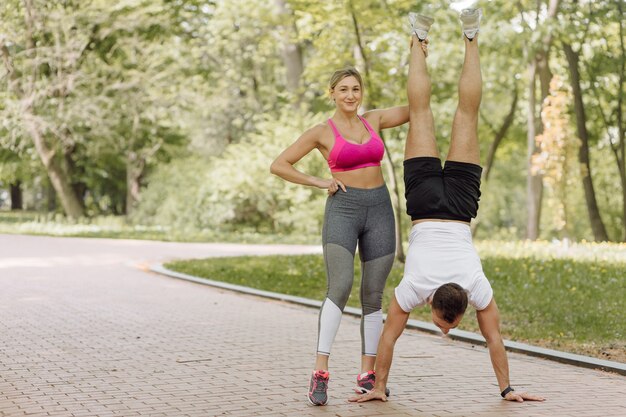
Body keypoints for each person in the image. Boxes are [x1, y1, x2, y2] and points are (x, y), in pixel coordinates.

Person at [349, 9, 545, 404]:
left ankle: (469, 34)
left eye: (444, 325)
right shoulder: (415, 287)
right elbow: (392, 335)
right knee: (430, 111)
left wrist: (383, 386)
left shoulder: (476, 286)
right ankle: (420, 33)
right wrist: (505, 389)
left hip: (458, 204)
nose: (446, 330)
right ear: (439, 304)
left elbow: (489, 338)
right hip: (426, 203)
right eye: (446, 324)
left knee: (461, 112)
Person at [270, 50, 424, 406]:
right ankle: (320, 371)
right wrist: (321, 182)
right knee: (339, 287)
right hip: (343, 208)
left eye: (356, 88)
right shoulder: (322, 132)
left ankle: (367, 375)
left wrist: (419, 53)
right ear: (333, 94)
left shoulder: (375, 120)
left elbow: (418, 105)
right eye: (343, 89)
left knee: (373, 294)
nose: (351, 95)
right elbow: (279, 165)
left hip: (380, 209)